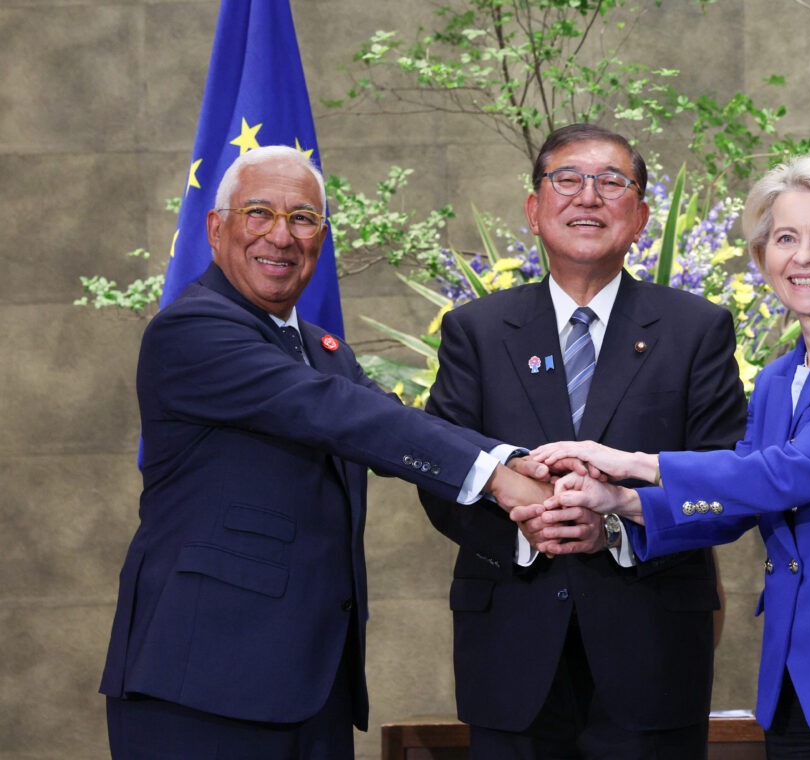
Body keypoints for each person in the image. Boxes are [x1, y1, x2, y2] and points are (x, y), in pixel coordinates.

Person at [99, 145, 550, 759]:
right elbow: (339, 412)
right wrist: (498, 476)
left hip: (311, 686)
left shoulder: (322, 349)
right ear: (216, 228)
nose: (281, 236)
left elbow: (392, 422)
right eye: (258, 213)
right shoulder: (192, 329)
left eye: (303, 219)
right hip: (201, 683)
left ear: (322, 237)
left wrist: (514, 461)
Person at [527, 156, 810, 759]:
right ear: (765, 259)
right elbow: (737, 503)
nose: (804, 257)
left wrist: (635, 462)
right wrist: (621, 503)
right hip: (798, 684)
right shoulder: (775, 380)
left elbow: (787, 475)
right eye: (785, 239)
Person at [418, 124, 746, 759]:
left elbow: (725, 482)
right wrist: (530, 530)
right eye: (567, 180)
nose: (588, 196)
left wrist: (618, 529)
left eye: (612, 183)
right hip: (511, 652)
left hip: (653, 654)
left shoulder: (696, 329)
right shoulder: (476, 331)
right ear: (534, 209)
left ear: (641, 216)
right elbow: (440, 468)